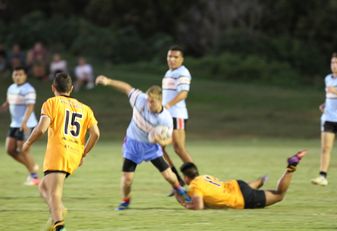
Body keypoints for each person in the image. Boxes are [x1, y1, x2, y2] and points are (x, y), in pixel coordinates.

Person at [95, 75, 191, 211]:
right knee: (127, 179)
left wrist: (161, 140)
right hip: (133, 143)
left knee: (169, 176)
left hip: (151, 147)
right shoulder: (140, 99)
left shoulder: (166, 119)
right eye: (148, 100)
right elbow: (126, 88)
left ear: (160, 101)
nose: (148, 103)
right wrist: (108, 81)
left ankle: (178, 189)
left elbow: (169, 138)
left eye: (152, 102)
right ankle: (125, 200)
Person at [22, 72, 100, 231]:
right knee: (43, 187)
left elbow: (42, 128)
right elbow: (96, 134)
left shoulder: (51, 103)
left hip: (59, 153)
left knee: (54, 194)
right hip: (74, 155)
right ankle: (58, 210)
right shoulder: (85, 108)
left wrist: (28, 142)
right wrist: (83, 153)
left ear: (53, 88)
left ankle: (59, 225)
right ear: (71, 88)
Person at [175, 150, 307, 210]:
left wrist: (186, 204)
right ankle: (259, 181)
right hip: (238, 185)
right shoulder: (204, 177)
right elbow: (210, 198)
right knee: (249, 188)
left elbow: (199, 206)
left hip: (240, 198)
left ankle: (291, 166)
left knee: (279, 195)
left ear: (186, 177)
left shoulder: (194, 187)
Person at [0, 66, 40, 185]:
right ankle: (32, 166)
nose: (17, 77)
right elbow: (9, 101)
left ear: (25, 76)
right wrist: (4, 106)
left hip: (27, 124)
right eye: (15, 74)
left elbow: (30, 107)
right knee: (10, 150)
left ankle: (34, 177)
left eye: (20, 74)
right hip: (15, 124)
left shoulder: (29, 89)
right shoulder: (11, 88)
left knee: (23, 150)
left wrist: (24, 122)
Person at [311, 52, 337, 186]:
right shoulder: (328, 78)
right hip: (328, 118)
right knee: (325, 148)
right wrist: (325, 105)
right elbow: (330, 97)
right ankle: (322, 176)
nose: (334, 65)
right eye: (332, 62)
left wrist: (336, 91)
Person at [161, 45, 193, 187]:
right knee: (158, 149)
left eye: (175, 57)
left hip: (177, 115)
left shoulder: (183, 73)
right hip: (166, 116)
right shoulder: (169, 73)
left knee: (179, 148)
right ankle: (177, 180)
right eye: (169, 56)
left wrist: (167, 105)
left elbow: (183, 93)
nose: (172, 59)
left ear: (182, 59)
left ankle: (197, 180)